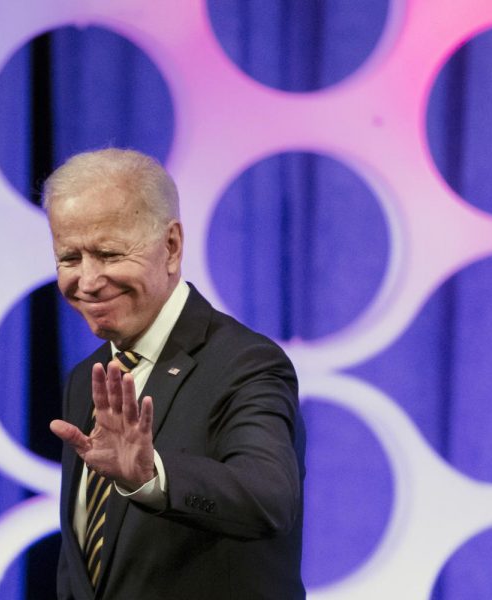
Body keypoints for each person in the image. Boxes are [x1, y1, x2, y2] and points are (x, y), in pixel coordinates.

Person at [44, 148, 305, 599]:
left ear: (171, 247)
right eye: (70, 258)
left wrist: (153, 477)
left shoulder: (245, 363)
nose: (86, 280)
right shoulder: (88, 377)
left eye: (107, 253)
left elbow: (269, 498)